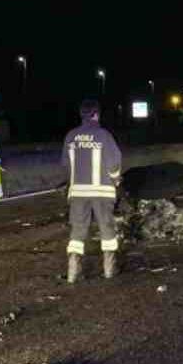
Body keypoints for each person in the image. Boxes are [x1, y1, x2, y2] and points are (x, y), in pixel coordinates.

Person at [62, 100, 123, 283]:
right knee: (106, 227)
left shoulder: (71, 136)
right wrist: (115, 178)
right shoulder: (103, 135)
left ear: (82, 115)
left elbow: (65, 164)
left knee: (78, 230)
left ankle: (73, 271)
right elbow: (114, 161)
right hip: (102, 192)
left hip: (78, 193)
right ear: (96, 114)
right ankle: (109, 269)